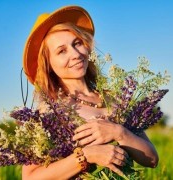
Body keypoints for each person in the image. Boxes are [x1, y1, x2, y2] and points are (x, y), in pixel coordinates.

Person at [22, 5, 158, 180]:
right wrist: (87, 156)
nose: (76, 54)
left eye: (77, 43)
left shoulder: (115, 100)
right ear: (48, 64)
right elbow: (31, 178)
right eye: (61, 51)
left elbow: (152, 159)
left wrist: (119, 132)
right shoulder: (47, 112)